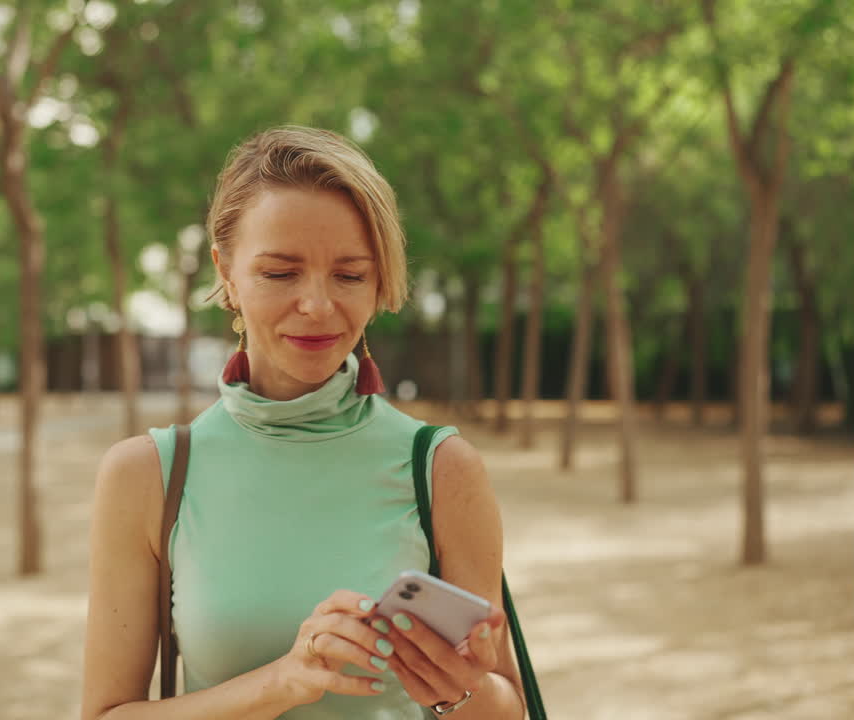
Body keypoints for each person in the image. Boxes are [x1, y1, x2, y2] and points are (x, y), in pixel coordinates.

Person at [81, 126, 527, 719]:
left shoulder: (442, 467)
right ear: (228, 275)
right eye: (281, 273)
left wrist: (457, 690)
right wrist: (281, 683)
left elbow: (505, 707)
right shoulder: (147, 474)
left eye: (349, 275)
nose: (318, 305)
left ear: (379, 284)